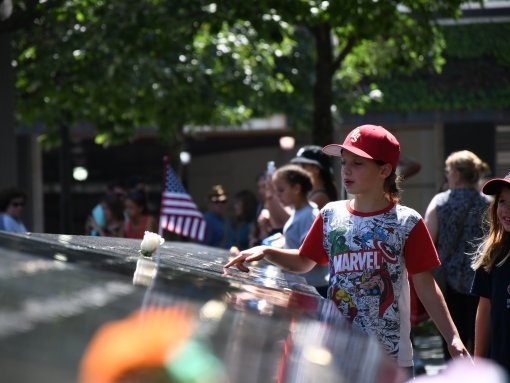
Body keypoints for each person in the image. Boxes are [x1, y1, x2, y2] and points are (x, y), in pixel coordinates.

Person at [225, 124, 469, 371]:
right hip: (334, 352)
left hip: (389, 359)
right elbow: (303, 260)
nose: (346, 170)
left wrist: (452, 337)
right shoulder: (330, 214)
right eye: (343, 162)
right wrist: (267, 252)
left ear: (384, 169)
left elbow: (426, 285)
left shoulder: (408, 221)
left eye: (358, 163)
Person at [424, 150, 491, 358]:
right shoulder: (488, 203)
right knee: (479, 337)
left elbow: (427, 240)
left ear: (456, 174)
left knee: (452, 338)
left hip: (447, 282)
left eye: (448, 171)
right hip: (480, 281)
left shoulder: (440, 201)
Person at [471, 172, 510, 374]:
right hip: (500, 365)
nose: (506, 209)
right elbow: (484, 309)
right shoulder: (492, 253)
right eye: (502, 201)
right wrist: (478, 365)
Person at [272, 164, 329, 297]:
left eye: (281, 190)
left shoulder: (309, 216)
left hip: (311, 288)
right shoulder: (298, 212)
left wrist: (270, 253)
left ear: (296, 188)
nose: (277, 195)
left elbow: (310, 258)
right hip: (301, 285)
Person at [290, 145, 338, 209]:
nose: (298, 169)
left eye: (303, 166)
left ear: (316, 169)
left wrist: (273, 196)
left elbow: (293, 217)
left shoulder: (320, 196)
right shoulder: (311, 193)